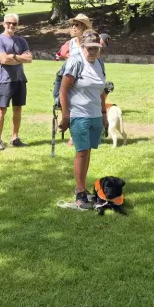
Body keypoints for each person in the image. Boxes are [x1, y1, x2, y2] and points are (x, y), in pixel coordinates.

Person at [58, 31, 109, 209]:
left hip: (95, 114)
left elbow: (102, 90)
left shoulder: (100, 64)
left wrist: (104, 113)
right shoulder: (75, 62)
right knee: (81, 152)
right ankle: (80, 191)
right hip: (79, 114)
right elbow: (63, 91)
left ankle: (83, 188)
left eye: (96, 48)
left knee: (87, 152)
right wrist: (65, 115)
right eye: (89, 48)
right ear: (82, 47)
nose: (93, 52)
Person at [0, 13, 32, 150]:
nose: (11, 25)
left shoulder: (21, 41)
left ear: (17, 25)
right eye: (8, 23)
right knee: (2, 110)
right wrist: (20, 58)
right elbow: (3, 60)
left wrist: (14, 56)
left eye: (14, 23)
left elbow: (30, 59)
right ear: (3, 24)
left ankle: (15, 138)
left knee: (18, 109)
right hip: (4, 80)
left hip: (19, 78)